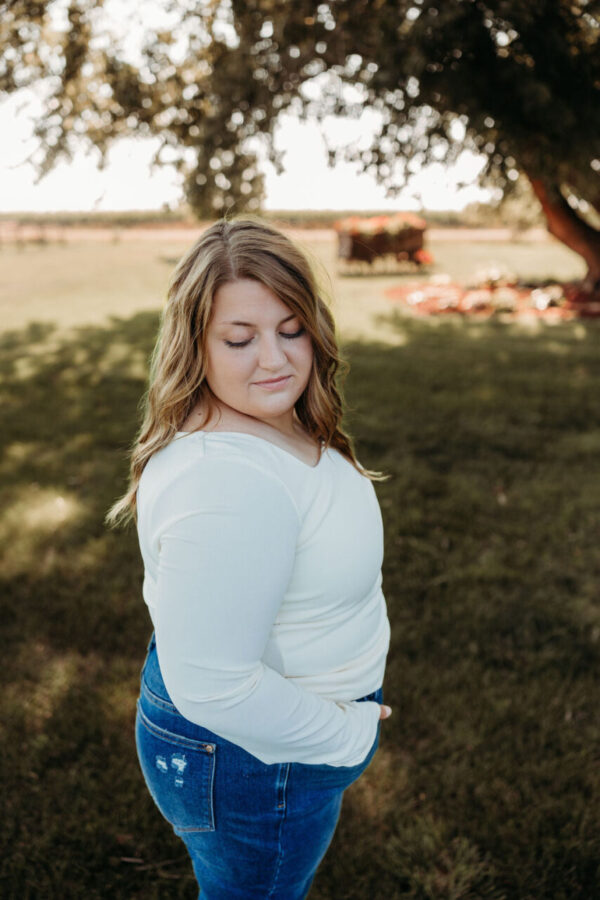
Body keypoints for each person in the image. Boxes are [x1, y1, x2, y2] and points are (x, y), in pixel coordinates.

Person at [105, 215, 392, 899]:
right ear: (195, 344)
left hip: (265, 743)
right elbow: (215, 686)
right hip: (256, 755)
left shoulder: (266, 417)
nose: (276, 359)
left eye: (291, 330)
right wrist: (346, 734)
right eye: (240, 338)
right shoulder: (226, 483)